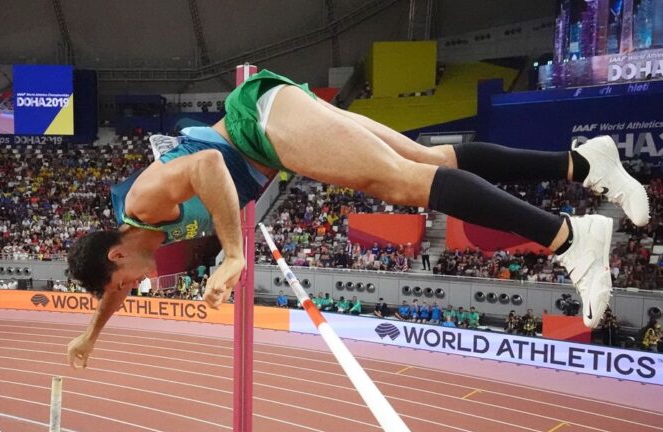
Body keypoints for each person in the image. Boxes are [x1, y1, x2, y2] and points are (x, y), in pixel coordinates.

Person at [66, 69, 649, 368]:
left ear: (118, 253)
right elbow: (109, 294)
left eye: (125, 282)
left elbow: (209, 171)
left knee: (399, 183)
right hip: (273, 127)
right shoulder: (132, 237)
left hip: (260, 127)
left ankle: (570, 237)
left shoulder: (142, 205)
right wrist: (92, 336)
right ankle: (582, 163)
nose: (138, 286)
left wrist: (234, 252)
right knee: (425, 159)